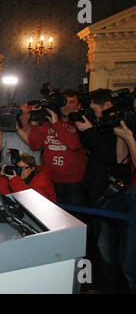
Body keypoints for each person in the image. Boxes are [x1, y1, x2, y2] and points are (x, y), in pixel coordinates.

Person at [75, 88, 136, 293]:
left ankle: (112, 286)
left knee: (109, 248)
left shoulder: (120, 127)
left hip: (115, 194)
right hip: (97, 190)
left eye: (95, 109)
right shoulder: (107, 126)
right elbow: (95, 149)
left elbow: (112, 158)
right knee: (100, 244)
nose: (94, 114)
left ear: (107, 106)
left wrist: (91, 130)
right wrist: (87, 130)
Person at [28, 90, 87, 207]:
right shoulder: (47, 123)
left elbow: (74, 145)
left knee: (74, 218)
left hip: (73, 182)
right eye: (64, 102)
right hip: (50, 179)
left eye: (71, 102)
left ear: (78, 105)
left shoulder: (81, 123)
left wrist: (57, 124)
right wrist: (34, 125)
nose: (66, 106)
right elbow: (35, 145)